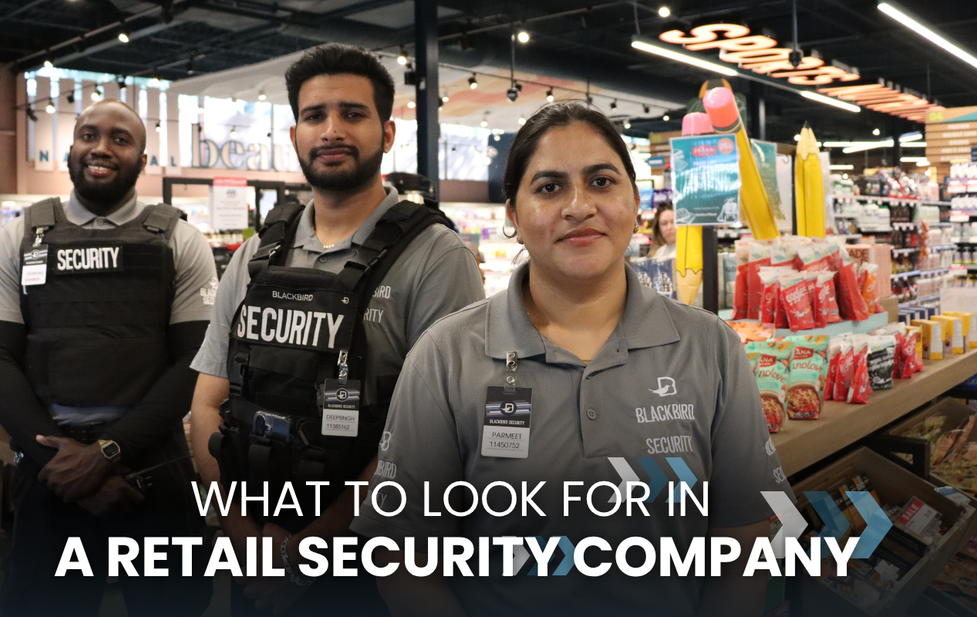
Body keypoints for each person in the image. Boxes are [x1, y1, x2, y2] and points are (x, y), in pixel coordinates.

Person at [352, 102, 792, 617]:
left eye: (602, 181)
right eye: (549, 187)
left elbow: (741, 549)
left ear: (635, 202)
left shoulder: (710, 348)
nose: (578, 205)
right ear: (513, 215)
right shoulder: (445, 357)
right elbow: (402, 558)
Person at [189, 43, 485, 616]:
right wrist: (238, 530)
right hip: (253, 552)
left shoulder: (435, 257)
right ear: (294, 134)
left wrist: (313, 551)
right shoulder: (257, 254)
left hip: (371, 565)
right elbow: (208, 398)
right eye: (314, 115)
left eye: (353, 113)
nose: (331, 130)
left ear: (388, 133)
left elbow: (431, 436)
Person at [0, 99, 217, 617]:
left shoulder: (179, 240)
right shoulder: (19, 235)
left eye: (120, 139)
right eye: (89, 135)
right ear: (71, 148)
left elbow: (194, 358)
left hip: (153, 470)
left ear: (142, 161)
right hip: (49, 473)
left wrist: (104, 455)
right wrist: (63, 469)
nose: (101, 148)